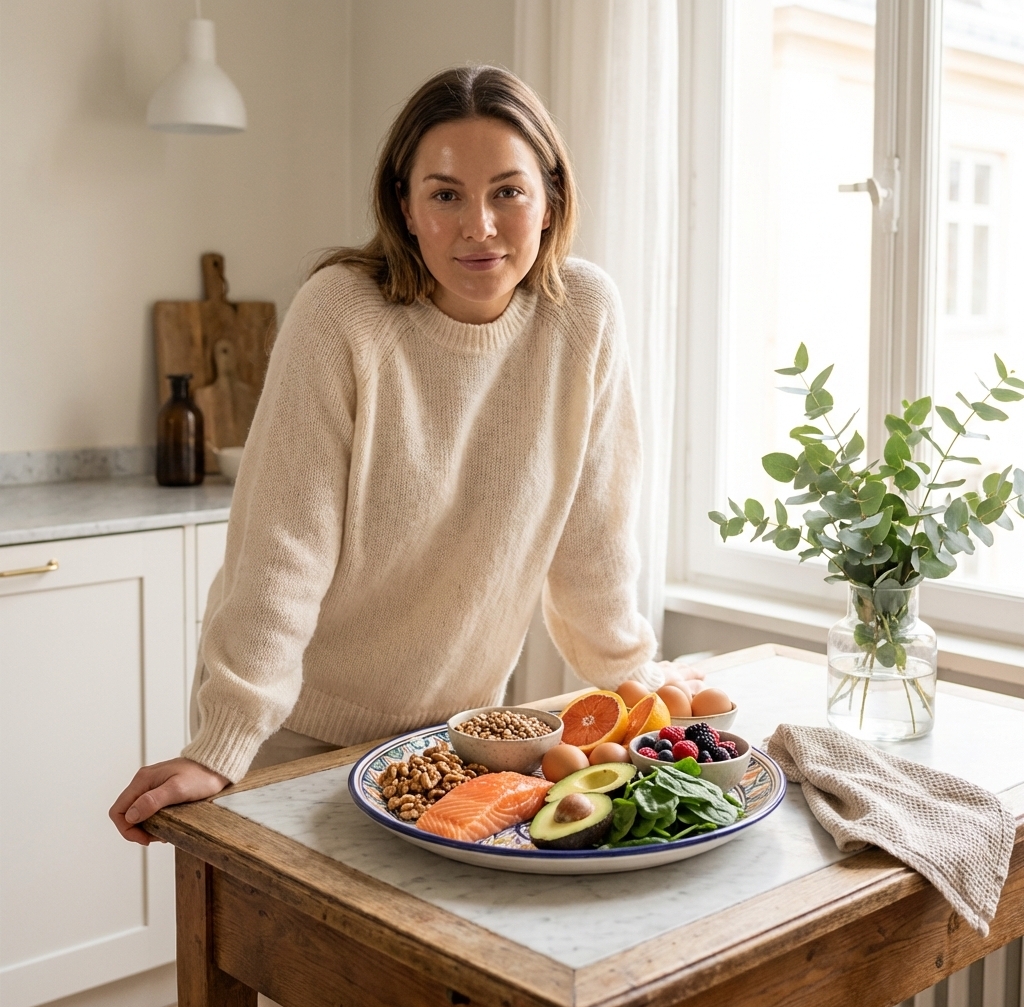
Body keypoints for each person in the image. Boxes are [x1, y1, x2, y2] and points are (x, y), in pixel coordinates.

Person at [110, 64, 700, 849]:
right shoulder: (342, 316)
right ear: (404, 205)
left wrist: (634, 679)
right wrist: (222, 744)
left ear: (551, 197)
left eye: (508, 191)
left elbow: (593, 541)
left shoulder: (583, 314)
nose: (479, 226)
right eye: (446, 194)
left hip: (457, 743)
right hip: (293, 731)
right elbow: (281, 554)